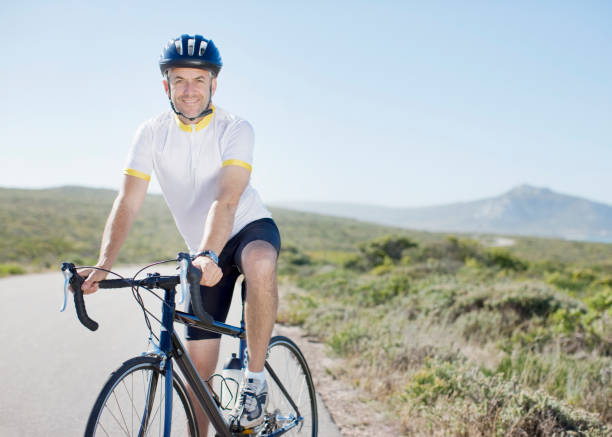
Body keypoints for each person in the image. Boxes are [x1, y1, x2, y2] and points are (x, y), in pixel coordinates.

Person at [80, 34, 280, 434]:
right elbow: (128, 201)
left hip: (245, 228)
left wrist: (209, 251)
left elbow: (226, 200)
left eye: (199, 80)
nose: (190, 90)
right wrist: (104, 265)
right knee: (199, 380)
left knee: (259, 261)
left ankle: (255, 384)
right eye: (180, 80)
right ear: (165, 84)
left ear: (214, 84)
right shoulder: (151, 133)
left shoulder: (235, 128)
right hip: (200, 252)